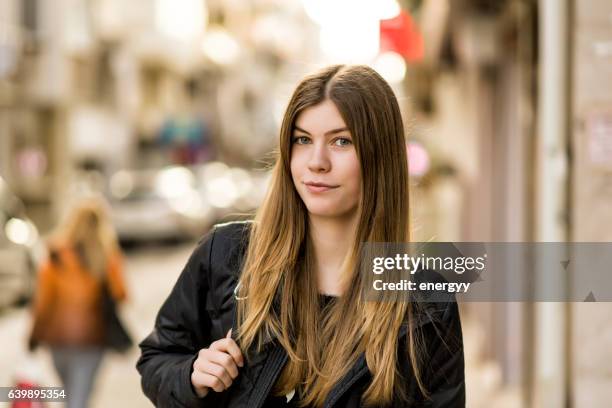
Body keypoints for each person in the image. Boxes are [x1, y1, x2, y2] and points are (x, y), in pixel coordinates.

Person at [137, 65, 465, 407]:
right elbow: (158, 356)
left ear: (379, 157)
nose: (316, 162)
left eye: (342, 141)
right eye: (303, 140)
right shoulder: (225, 255)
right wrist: (192, 374)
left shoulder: (427, 303)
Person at [29, 197, 128, 408]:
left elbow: (43, 302)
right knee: (78, 400)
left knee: (71, 398)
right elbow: (122, 294)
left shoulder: (55, 255)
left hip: (58, 342)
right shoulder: (106, 256)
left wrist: (34, 335)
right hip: (92, 341)